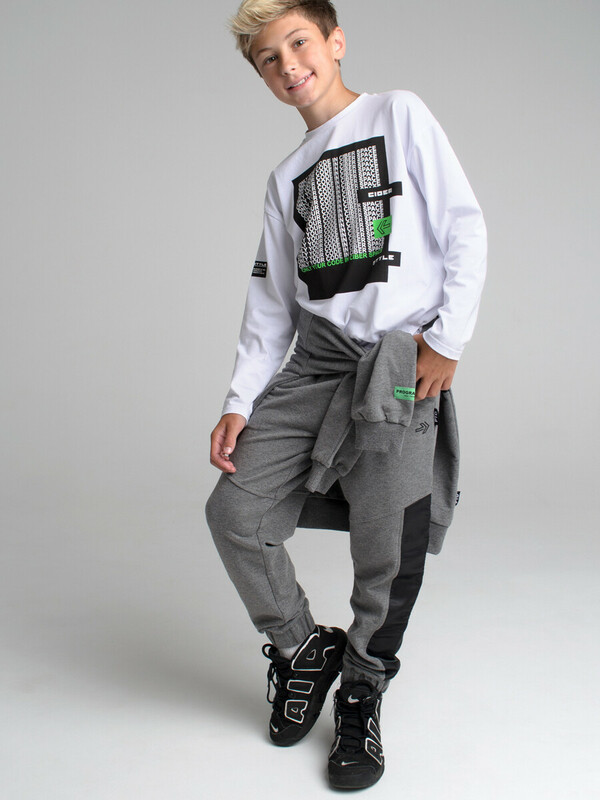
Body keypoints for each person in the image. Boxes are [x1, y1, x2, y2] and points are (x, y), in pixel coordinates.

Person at [205, 0, 487, 790]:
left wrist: (448, 340)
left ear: (334, 41)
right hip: (317, 363)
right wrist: (240, 399)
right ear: (262, 76)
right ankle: (302, 646)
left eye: (298, 42)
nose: (288, 64)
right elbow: (271, 302)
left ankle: (362, 689)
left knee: (385, 544)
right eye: (268, 58)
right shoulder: (285, 177)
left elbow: (464, 225)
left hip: (397, 360)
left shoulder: (398, 114)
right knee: (235, 513)